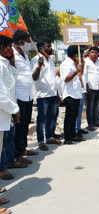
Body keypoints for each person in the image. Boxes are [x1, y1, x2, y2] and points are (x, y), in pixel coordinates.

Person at [12, 30, 37, 166]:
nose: (29, 44)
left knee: (26, 123)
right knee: (19, 126)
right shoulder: (12, 56)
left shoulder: (25, 55)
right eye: (28, 41)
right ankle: (16, 155)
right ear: (21, 42)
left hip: (28, 95)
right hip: (19, 95)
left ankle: (23, 149)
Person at [0, 35, 19, 214]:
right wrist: (14, 109)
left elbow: (11, 84)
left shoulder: (4, 62)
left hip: (3, 116)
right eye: (8, 47)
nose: (10, 50)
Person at [31, 40, 61, 151]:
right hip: (42, 94)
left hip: (52, 93)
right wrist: (39, 65)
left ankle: (49, 137)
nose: (51, 48)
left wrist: (57, 93)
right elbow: (34, 77)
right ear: (41, 49)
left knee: (51, 117)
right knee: (41, 119)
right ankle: (40, 141)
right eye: (48, 46)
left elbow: (53, 78)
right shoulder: (35, 60)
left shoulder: (51, 59)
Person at [60, 45, 84, 144]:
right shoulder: (66, 64)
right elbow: (66, 79)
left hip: (76, 93)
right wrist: (76, 71)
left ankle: (73, 134)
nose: (80, 57)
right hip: (70, 94)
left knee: (74, 116)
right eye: (79, 55)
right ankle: (67, 137)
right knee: (69, 117)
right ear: (75, 55)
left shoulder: (74, 63)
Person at [84, 46, 99, 131]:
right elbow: (85, 76)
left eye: (96, 52)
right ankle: (90, 124)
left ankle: (95, 121)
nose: (94, 54)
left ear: (98, 53)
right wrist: (87, 87)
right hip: (90, 87)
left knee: (97, 106)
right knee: (90, 106)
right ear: (89, 53)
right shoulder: (86, 62)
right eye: (92, 52)